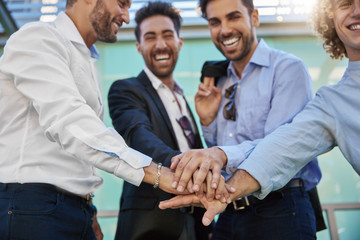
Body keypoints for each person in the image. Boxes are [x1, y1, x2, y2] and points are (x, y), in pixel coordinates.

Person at [0, 0, 195, 239]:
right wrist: (158, 174)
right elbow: (71, 123)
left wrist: (88, 208)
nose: (125, 17)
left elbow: (81, 147)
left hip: (73, 210)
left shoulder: (86, 61)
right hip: (31, 206)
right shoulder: (38, 38)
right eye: (122, 4)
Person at [160, 0, 360, 231]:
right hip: (229, 206)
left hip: (280, 208)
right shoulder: (220, 82)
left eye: (233, 17)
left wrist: (222, 155)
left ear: (254, 17)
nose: (225, 30)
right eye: (215, 22)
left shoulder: (287, 68)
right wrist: (207, 123)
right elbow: (278, 148)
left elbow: (279, 146)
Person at [108, 2, 215, 239]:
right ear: (139, 47)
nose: (160, 44)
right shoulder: (125, 90)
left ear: (180, 42)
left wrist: (207, 121)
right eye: (150, 37)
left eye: (168, 35)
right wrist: (190, 167)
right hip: (151, 225)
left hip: (196, 222)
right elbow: (139, 137)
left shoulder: (183, 99)